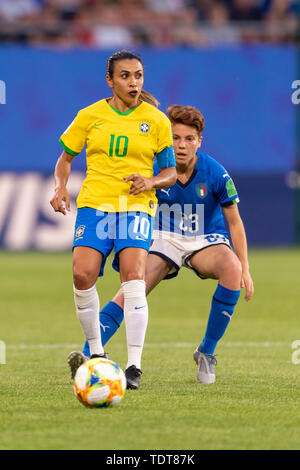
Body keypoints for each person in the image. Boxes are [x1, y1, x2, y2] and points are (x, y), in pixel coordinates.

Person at [71, 104, 254, 387]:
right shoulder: (153, 169)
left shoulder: (215, 173)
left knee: (232, 269)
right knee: (132, 288)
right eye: (176, 138)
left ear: (199, 142)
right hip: (163, 236)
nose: (181, 145)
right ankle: (87, 356)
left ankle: (206, 351)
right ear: (166, 141)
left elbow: (235, 222)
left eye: (189, 139)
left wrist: (246, 268)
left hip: (204, 239)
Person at [50, 50, 177, 389]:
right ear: (110, 80)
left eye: (138, 75)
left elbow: (170, 172)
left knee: (133, 276)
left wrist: (150, 181)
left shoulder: (157, 120)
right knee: (82, 273)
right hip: (95, 204)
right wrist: (61, 187)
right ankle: (97, 355)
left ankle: (134, 366)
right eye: (125, 76)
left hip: (136, 206)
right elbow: (65, 158)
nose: (133, 82)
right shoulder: (89, 116)